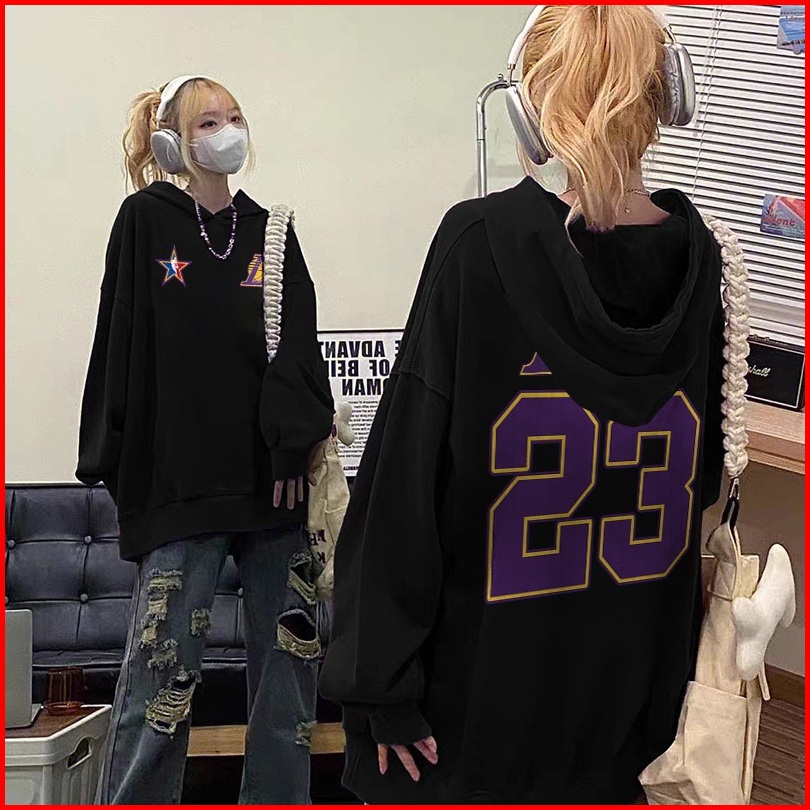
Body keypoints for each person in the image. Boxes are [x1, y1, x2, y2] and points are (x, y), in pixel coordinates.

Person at [319, 5, 725, 805]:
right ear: (668, 97)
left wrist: (378, 685)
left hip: (471, 723)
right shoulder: (703, 263)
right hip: (631, 721)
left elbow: (403, 487)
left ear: (532, 108)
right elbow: (700, 486)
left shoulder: (478, 244)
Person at [76, 75, 334, 804]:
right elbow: (120, 336)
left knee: (288, 689)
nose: (227, 132)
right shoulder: (145, 220)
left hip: (274, 487)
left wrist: (293, 442)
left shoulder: (271, 231)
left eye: (235, 117)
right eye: (207, 122)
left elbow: (300, 349)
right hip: (180, 486)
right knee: (159, 681)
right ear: (172, 142)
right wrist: (116, 460)